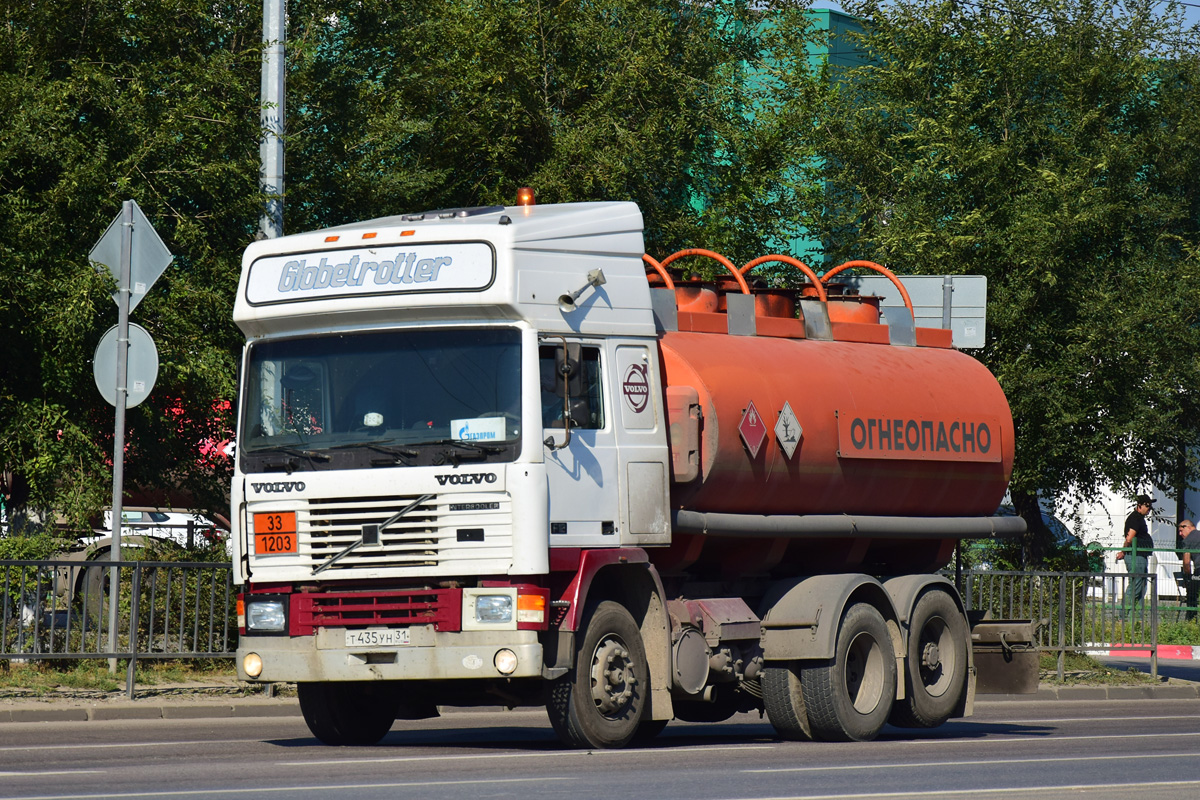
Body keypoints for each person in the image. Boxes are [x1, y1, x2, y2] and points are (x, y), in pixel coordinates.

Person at [1114, 494, 1155, 620]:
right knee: (1136, 584)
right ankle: (1124, 615)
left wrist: (1123, 550)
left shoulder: (1139, 518)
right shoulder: (1136, 518)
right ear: (1139, 506)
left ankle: (1137, 615)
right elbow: (1130, 538)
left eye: (1150, 506)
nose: (1149, 508)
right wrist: (1125, 550)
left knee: (1141, 585)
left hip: (1140, 555)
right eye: (1147, 506)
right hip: (1136, 556)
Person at [1179, 519, 1199, 622]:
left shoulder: (1188, 540)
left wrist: (1188, 577)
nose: (1180, 534)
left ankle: (1191, 618)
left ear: (1189, 527)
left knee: (1192, 592)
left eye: (1181, 530)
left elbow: (1186, 563)